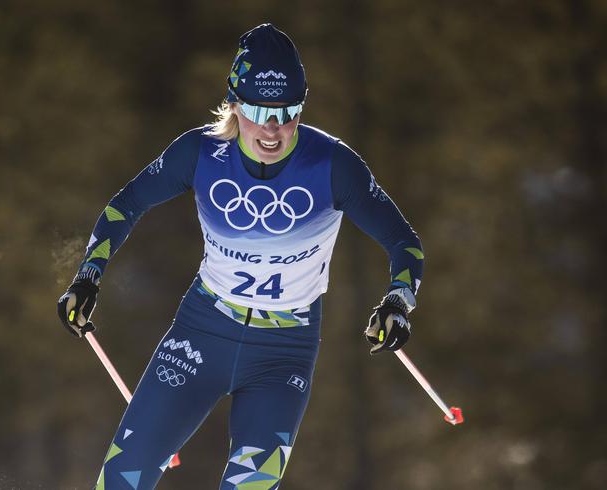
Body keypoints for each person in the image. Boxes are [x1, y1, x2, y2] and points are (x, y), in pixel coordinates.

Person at [58, 23, 424, 490]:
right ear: (234, 103)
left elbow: (404, 241)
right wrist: (87, 277)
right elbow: (125, 203)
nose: (272, 128)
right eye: (257, 110)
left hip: (283, 352)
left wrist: (398, 301)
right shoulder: (201, 153)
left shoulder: (334, 165)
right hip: (201, 333)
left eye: (288, 111)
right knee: (122, 479)